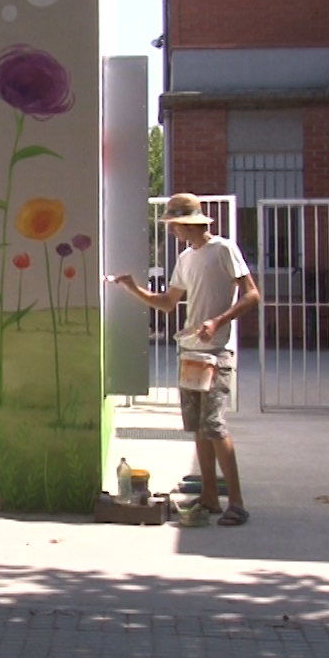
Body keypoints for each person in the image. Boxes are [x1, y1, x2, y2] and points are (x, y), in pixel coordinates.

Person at [108, 193, 259, 528]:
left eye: (173, 223)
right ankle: (208, 496)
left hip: (216, 351)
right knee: (199, 429)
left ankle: (236, 502)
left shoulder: (223, 249)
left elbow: (252, 294)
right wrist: (133, 288)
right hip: (191, 350)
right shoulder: (185, 259)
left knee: (216, 426)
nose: (172, 230)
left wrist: (218, 321)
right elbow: (167, 303)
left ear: (186, 222)